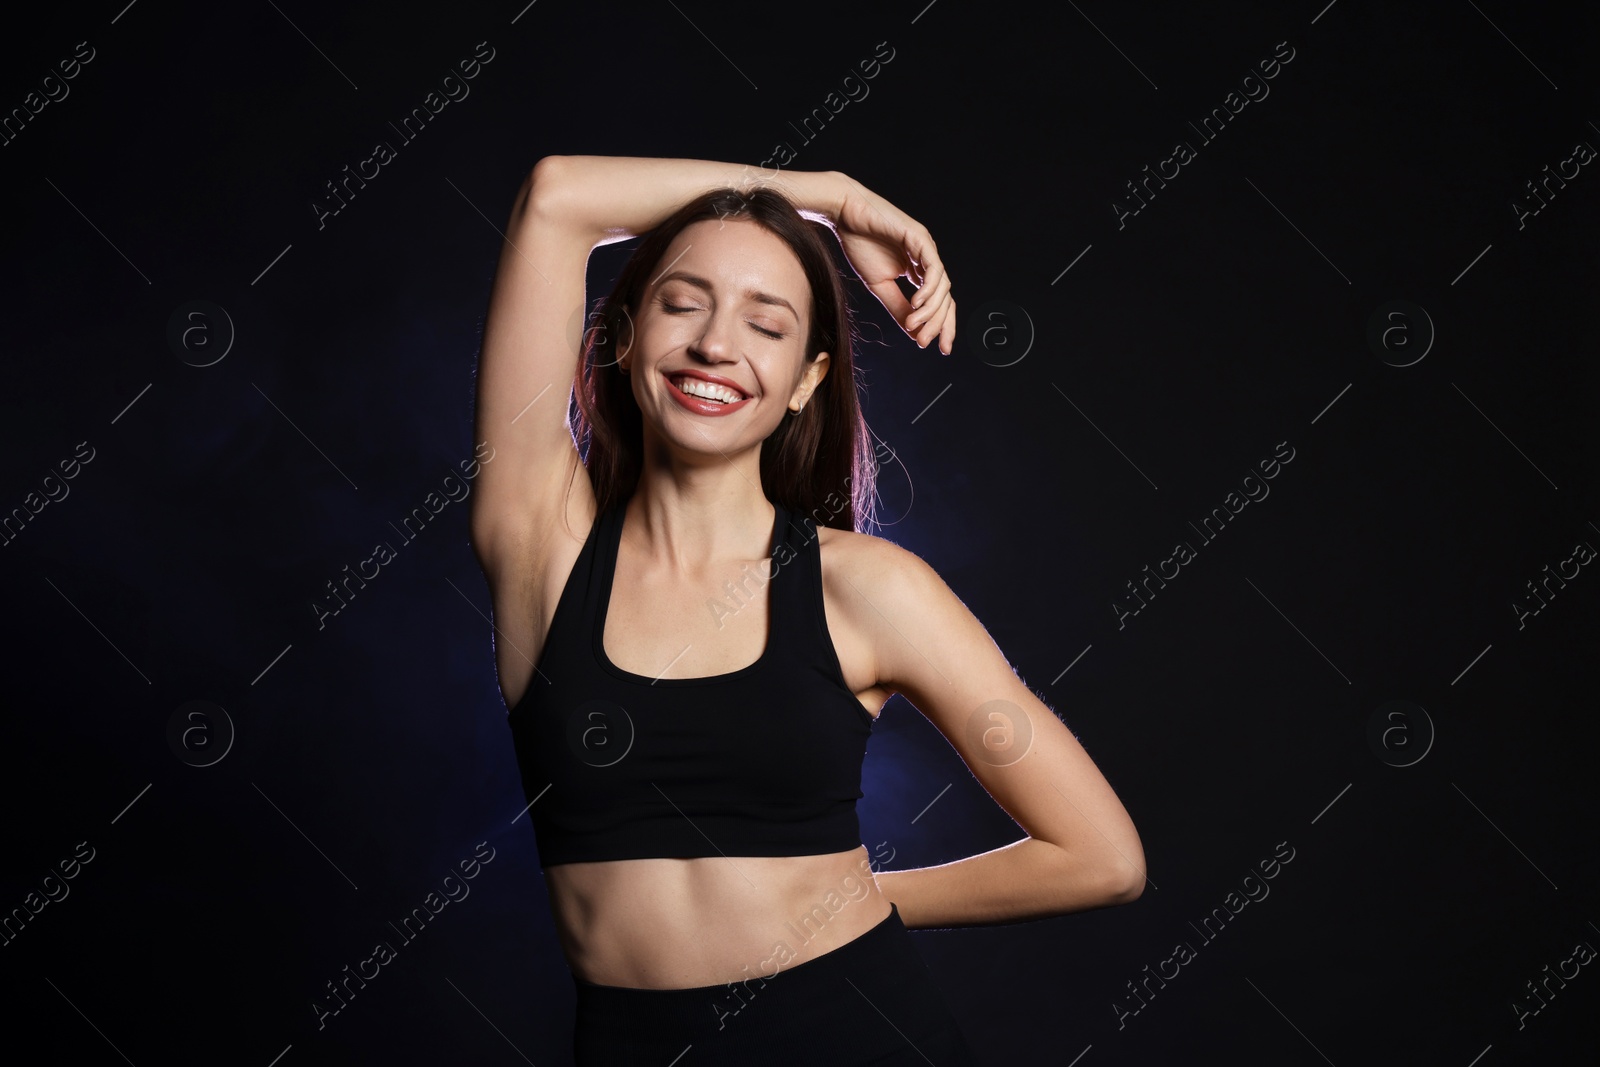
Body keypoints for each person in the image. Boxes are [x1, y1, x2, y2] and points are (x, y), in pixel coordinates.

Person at [468, 155, 1145, 1064]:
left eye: (766, 322)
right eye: (683, 302)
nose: (716, 343)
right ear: (623, 336)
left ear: (805, 380)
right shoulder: (538, 547)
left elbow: (1102, 857)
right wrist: (830, 197)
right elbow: (556, 197)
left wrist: (848, 901)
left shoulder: (869, 589)